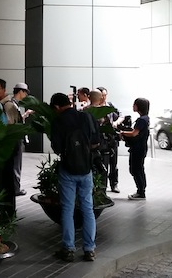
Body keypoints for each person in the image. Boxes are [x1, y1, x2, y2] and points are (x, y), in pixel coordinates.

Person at [50, 92, 100, 262]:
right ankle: (89, 249)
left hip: (68, 170)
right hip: (86, 169)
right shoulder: (86, 117)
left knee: (67, 209)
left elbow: (57, 148)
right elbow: (96, 142)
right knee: (88, 208)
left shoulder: (58, 121)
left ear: (57, 107)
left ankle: (68, 248)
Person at [0, 79, 17, 221]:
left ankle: (7, 213)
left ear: (4, 90)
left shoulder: (8, 105)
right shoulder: (0, 105)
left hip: (6, 149)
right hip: (1, 149)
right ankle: (3, 212)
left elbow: (10, 127)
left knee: (5, 181)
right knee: (1, 181)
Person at [121, 98, 150, 200]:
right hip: (141, 148)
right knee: (139, 169)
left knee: (135, 169)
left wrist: (122, 133)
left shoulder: (141, 120)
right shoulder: (145, 118)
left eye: (134, 104)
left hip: (138, 148)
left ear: (139, 106)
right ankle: (141, 190)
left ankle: (140, 192)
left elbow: (134, 133)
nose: (133, 106)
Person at [93, 88, 120, 193]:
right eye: (102, 95)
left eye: (105, 95)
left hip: (111, 139)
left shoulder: (110, 106)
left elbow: (120, 115)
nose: (104, 97)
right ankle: (102, 187)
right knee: (103, 163)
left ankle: (114, 184)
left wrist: (116, 122)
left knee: (114, 163)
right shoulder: (95, 108)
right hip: (101, 140)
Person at [9, 83, 32, 196]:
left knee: (15, 164)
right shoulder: (12, 105)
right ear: (21, 91)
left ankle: (15, 187)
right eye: (25, 92)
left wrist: (26, 114)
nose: (26, 95)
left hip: (16, 138)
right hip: (16, 138)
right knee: (16, 164)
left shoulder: (14, 104)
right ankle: (15, 188)